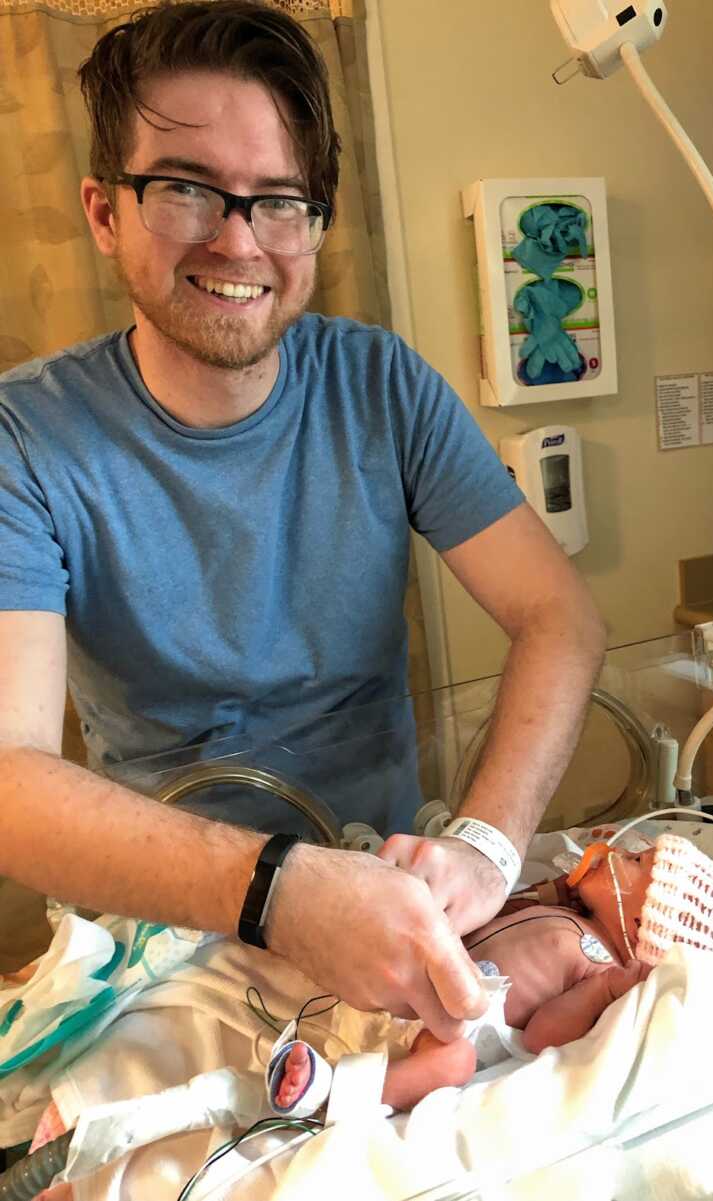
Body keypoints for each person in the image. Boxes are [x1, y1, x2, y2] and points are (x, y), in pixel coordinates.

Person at [0, 0, 605, 1041]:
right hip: (172, 940)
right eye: (187, 190)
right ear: (104, 212)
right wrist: (276, 886)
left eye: (279, 200)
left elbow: (560, 617)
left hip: (391, 879)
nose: (240, 240)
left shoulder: (382, 385)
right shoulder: (27, 438)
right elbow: (10, 779)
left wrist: (484, 850)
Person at [271, 833, 713, 1113]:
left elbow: (544, 1037)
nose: (611, 849)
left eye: (632, 860)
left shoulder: (600, 971)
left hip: (456, 1024)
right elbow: (502, 902)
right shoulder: (569, 911)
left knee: (452, 1064)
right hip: (413, 973)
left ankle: (337, 1093)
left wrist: (606, 988)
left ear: (640, 921)